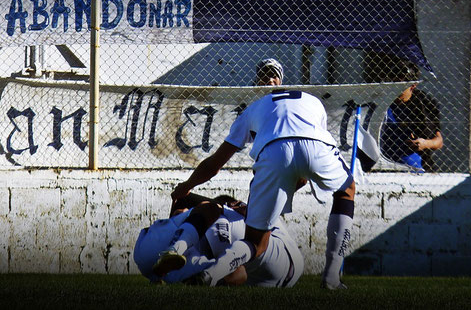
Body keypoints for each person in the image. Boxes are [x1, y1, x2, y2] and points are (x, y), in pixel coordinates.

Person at [155, 58, 355, 290]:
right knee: (347, 189)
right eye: (264, 74)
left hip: (274, 152)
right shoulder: (310, 100)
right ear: (256, 80)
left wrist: (187, 185)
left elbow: (215, 164)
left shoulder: (252, 110)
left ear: (280, 80)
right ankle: (331, 279)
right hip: (316, 145)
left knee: (255, 243)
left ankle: (211, 271)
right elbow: (305, 159)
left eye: (273, 74)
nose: (269, 78)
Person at [134, 193, 304, 288]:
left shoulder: (229, 211)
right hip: (281, 268)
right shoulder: (245, 214)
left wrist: (183, 201)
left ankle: (176, 250)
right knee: (237, 267)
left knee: (209, 210)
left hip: (256, 254)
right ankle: (213, 275)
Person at [380, 61, 443, 172]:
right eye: (393, 84)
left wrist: (425, 143)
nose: (395, 90)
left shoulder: (423, 103)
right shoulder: (382, 101)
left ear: (413, 86)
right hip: (384, 161)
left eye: (401, 86)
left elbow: (438, 141)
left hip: (415, 163)